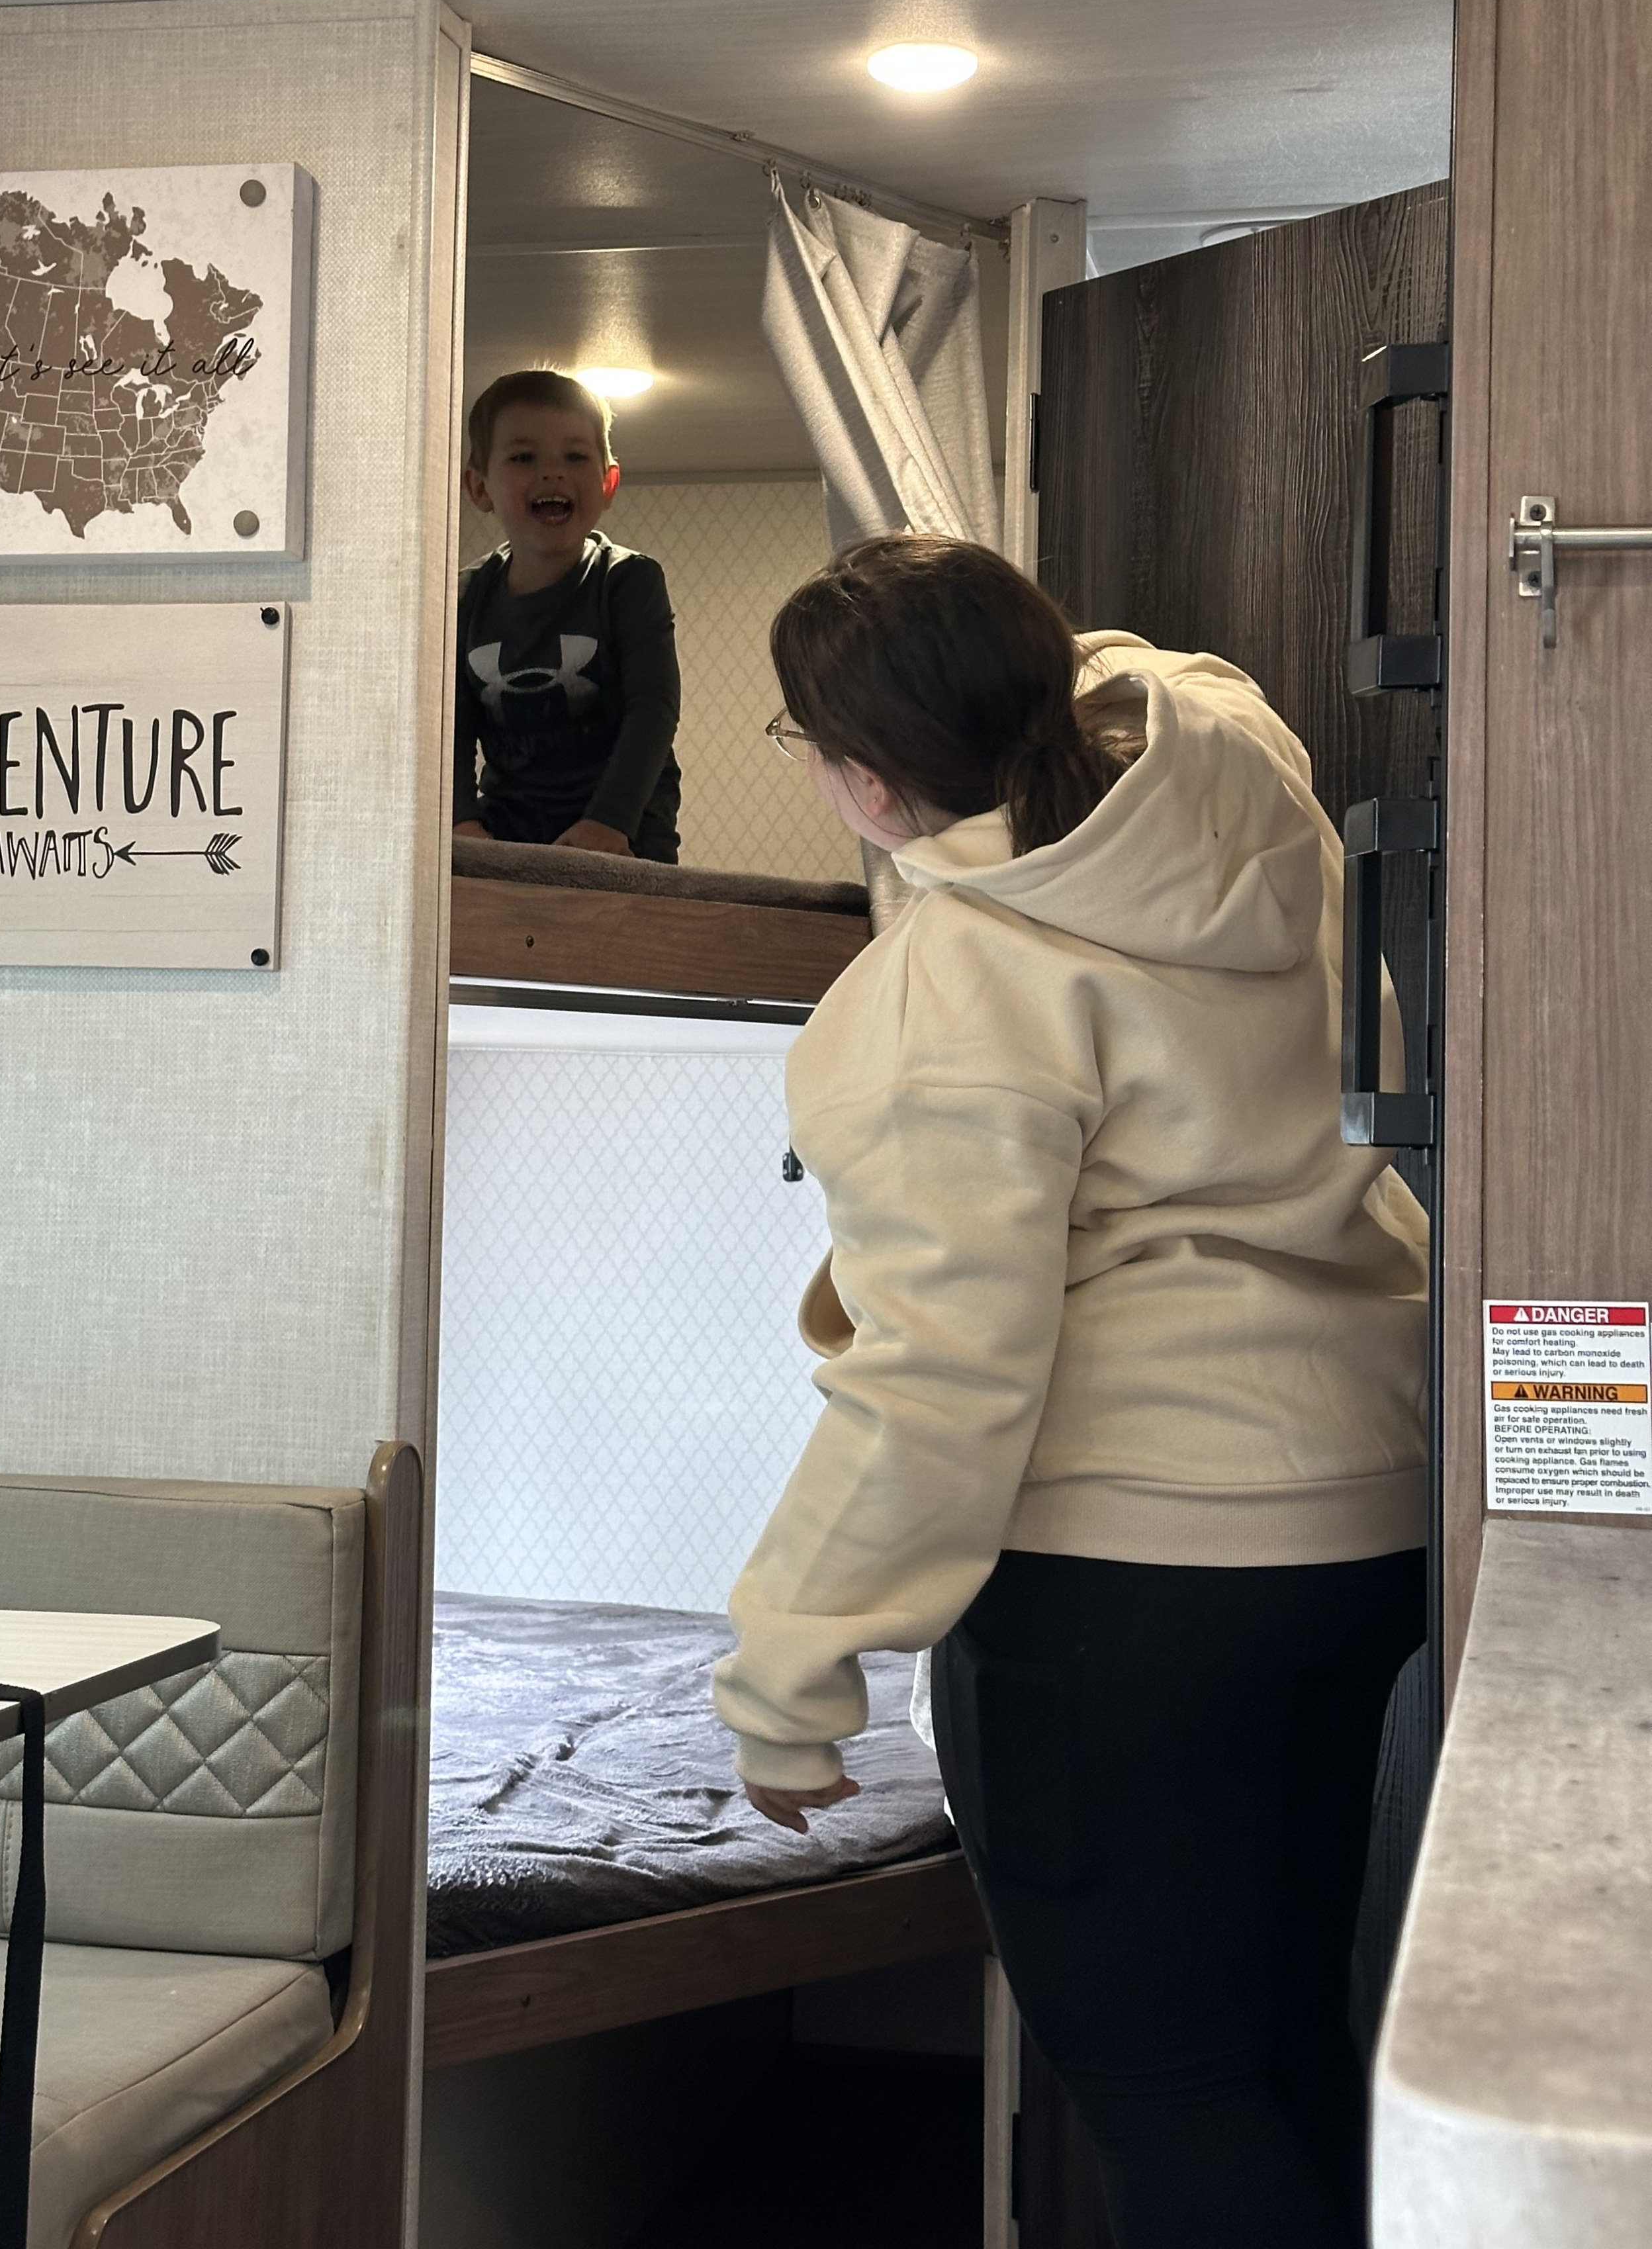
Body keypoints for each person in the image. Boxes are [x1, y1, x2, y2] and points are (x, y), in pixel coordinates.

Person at [713, 535, 1427, 2249]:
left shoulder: (940, 1000)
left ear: (867, 781)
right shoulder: (1249, 805)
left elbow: (940, 1378)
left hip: (1127, 1590)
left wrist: (791, 1667)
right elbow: (1154, 684)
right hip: (1377, 1530)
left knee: (1173, 2090)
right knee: (1290, 2054)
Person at [453, 369, 682, 862]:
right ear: (479, 487)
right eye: (523, 456)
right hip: (507, 832)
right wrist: (459, 819)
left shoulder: (628, 582)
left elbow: (653, 711)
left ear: (608, 482)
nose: (552, 472)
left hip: (626, 835)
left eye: (575, 456)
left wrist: (610, 821)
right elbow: (449, 724)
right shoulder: (466, 598)